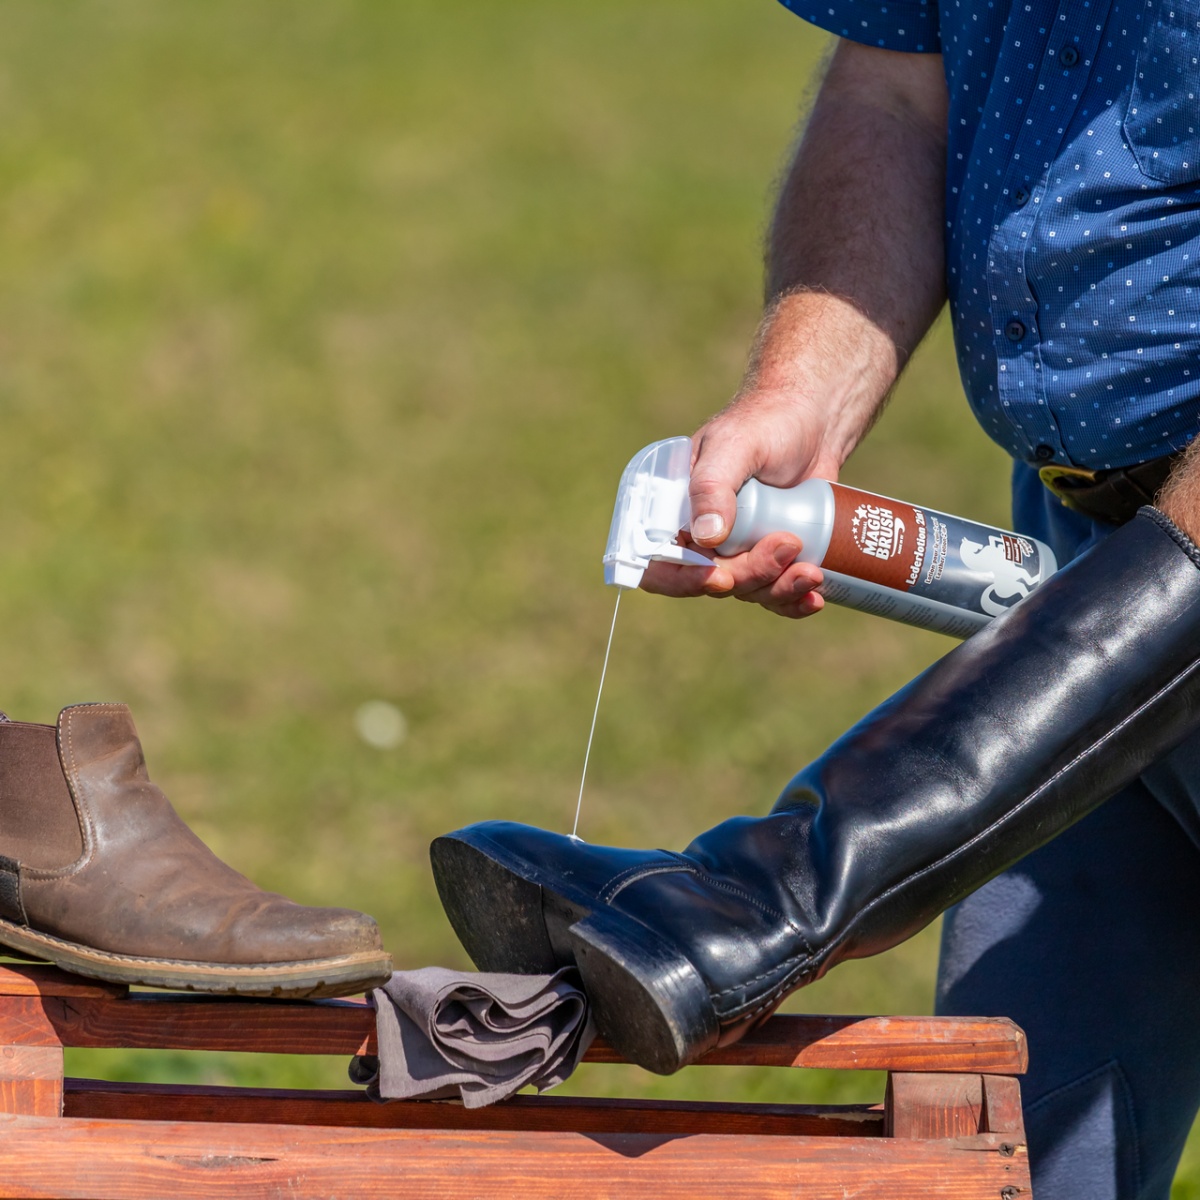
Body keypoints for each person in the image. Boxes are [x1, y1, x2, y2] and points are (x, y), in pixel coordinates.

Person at [431, 7, 1200, 1199]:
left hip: (1167, 573)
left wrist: (790, 889)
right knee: (1023, 1156)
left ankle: (754, 888)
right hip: (1078, 560)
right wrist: (804, 389)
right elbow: (891, 94)